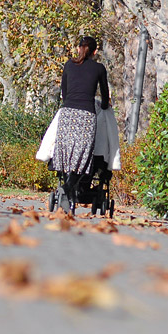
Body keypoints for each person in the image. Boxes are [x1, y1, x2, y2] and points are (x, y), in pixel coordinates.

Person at [54, 36, 110, 212]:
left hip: (68, 114)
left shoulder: (69, 65)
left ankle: (67, 190)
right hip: (86, 116)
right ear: (94, 52)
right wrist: (104, 106)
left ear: (79, 49)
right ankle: (69, 188)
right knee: (82, 158)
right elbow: (105, 96)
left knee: (67, 155)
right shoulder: (99, 68)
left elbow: (64, 91)